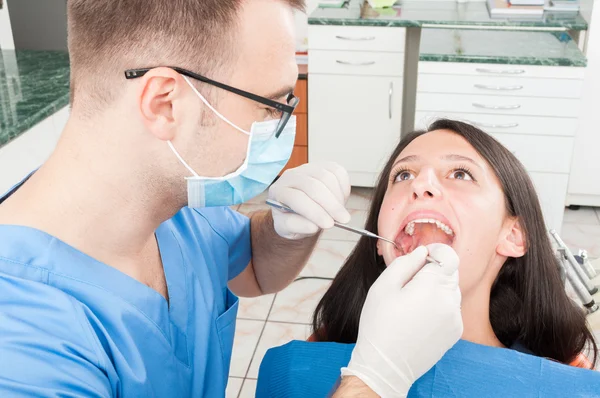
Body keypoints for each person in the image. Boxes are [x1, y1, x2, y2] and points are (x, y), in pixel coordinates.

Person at [0, 1, 462, 397]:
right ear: (166, 103)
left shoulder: (178, 201)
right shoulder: (23, 348)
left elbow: (254, 269)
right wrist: (376, 380)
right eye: (271, 105)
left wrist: (285, 229)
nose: (283, 125)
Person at [312, 119, 598, 368]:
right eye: (403, 174)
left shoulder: (566, 378)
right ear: (378, 240)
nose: (420, 183)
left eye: (460, 174)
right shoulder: (317, 352)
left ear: (513, 235)